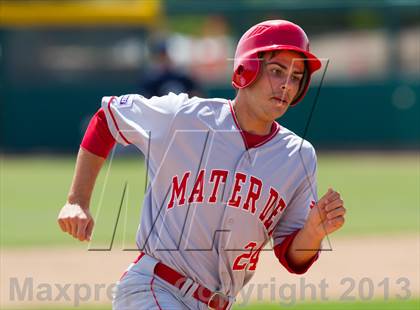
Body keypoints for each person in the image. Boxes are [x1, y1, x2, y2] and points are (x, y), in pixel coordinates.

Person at [57, 20, 346, 310]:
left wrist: (313, 232)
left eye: (296, 76)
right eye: (276, 71)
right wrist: (77, 201)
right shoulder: (184, 117)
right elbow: (107, 119)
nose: (286, 84)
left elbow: (291, 256)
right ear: (246, 70)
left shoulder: (298, 156)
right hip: (155, 288)